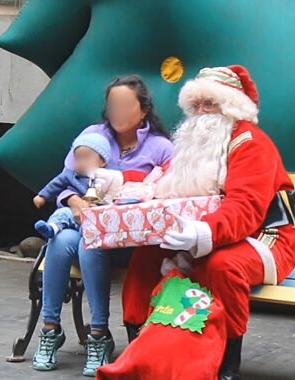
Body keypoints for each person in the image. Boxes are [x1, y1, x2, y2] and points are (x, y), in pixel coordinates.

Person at [110, 65, 295, 380]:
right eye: (195, 105)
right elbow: (161, 181)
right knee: (146, 257)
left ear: (230, 107)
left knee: (221, 265)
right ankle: (141, 343)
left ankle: (229, 358)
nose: (200, 113)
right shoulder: (194, 143)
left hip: (266, 236)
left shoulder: (251, 143)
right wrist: (121, 183)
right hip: (205, 233)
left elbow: (246, 207)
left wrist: (203, 232)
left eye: (209, 104)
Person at [31, 75, 173, 377]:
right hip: (85, 227)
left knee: (87, 243)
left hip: (130, 240)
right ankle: (51, 328)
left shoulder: (161, 147)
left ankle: (98, 334)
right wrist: (75, 203)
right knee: (62, 240)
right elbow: (67, 180)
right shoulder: (92, 135)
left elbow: (170, 192)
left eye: (125, 105)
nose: (117, 111)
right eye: (112, 105)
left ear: (144, 109)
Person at [32, 133, 112, 239]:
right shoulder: (71, 175)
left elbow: (115, 193)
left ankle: (89, 234)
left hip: (98, 216)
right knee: (62, 213)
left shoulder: (109, 176)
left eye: (86, 157)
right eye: (78, 158)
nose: (82, 162)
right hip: (75, 213)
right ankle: (52, 228)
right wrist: (42, 196)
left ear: (102, 161)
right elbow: (55, 184)